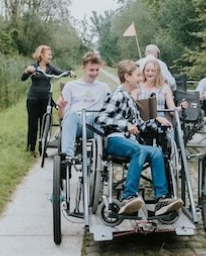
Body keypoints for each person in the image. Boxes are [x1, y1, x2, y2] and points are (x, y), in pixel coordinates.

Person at [95, 60, 183, 216]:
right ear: (127, 76)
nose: (141, 78)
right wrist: (125, 125)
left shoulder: (129, 98)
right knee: (138, 150)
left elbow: (139, 125)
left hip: (130, 142)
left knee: (156, 152)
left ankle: (161, 198)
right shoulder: (118, 95)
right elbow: (101, 118)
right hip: (115, 140)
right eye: (137, 75)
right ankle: (128, 197)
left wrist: (155, 120)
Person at [56, 52, 111, 159]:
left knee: (101, 116)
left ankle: (101, 155)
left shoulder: (104, 87)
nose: (94, 73)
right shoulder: (70, 86)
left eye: (97, 70)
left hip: (95, 123)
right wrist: (62, 107)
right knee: (71, 114)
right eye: (91, 70)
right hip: (77, 122)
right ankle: (67, 156)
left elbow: (111, 109)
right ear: (83, 68)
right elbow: (62, 117)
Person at [20, 45, 70, 154]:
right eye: (49, 54)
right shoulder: (33, 67)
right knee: (33, 124)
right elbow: (23, 78)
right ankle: (31, 148)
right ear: (41, 55)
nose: (51, 56)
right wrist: (27, 71)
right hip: (33, 99)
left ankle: (42, 148)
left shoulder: (51, 68)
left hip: (46, 100)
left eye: (51, 54)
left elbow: (61, 72)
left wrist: (69, 73)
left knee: (45, 124)